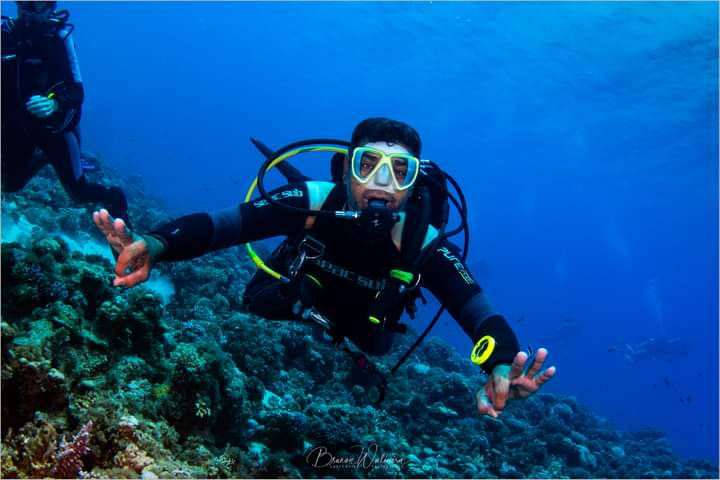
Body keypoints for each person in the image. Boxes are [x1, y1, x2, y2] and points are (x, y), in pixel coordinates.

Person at [93, 117, 556, 417]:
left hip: (367, 317)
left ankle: (329, 321)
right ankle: (303, 298)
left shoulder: (423, 243)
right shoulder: (313, 202)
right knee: (256, 302)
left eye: (400, 171)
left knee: (376, 345)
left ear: (415, 185)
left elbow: (476, 308)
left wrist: (499, 364)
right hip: (302, 285)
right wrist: (156, 244)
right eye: (368, 164)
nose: (382, 183)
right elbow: (228, 224)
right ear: (346, 169)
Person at [2, 1, 130, 224]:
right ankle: (43, 158)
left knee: (78, 194)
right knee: (10, 185)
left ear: (51, 7)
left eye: (37, 4)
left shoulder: (59, 39)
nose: (27, 10)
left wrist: (54, 104)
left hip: (54, 130)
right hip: (16, 125)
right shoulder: (5, 34)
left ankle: (114, 197)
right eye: (22, 2)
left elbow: (76, 91)